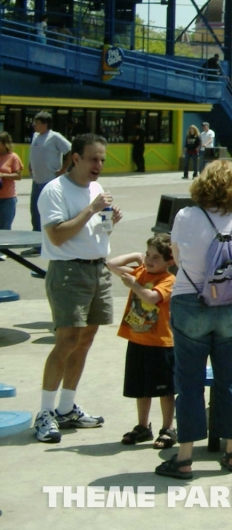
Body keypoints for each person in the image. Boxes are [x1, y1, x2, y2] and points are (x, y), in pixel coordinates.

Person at [159, 160, 232, 478]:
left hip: (190, 301)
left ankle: (184, 458)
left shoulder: (186, 215)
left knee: (189, 382)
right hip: (230, 306)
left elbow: (177, 257)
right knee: (230, 380)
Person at [35, 133, 122, 443]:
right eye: (93, 159)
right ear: (75, 158)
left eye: (102, 159)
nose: (99, 165)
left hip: (97, 268)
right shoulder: (54, 191)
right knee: (67, 339)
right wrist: (91, 210)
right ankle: (45, 412)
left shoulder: (96, 189)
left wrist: (110, 221)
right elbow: (58, 236)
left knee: (85, 340)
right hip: (68, 271)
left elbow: (95, 229)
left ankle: (67, 407)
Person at [106, 233, 177, 449]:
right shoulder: (141, 272)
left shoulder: (168, 279)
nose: (149, 260)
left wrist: (135, 285)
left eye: (156, 257)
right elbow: (111, 264)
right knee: (141, 388)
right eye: (148, 255)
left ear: (169, 261)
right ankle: (143, 426)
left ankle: (168, 428)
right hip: (138, 339)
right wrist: (135, 256)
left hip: (161, 343)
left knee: (165, 390)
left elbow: (152, 298)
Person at [29, 111, 72, 240]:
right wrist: (30, 165)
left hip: (49, 181)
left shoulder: (55, 137)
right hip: (36, 180)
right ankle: (36, 240)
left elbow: (70, 150)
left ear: (45, 124)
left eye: (37, 123)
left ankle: (45, 242)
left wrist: (64, 169)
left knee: (46, 213)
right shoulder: (36, 136)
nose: (34, 125)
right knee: (35, 212)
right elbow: (34, 153)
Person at [0, 131, 24, 259]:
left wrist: (3, 175)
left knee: (5, 225)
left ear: (4, 144)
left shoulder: (13, 157)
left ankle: (4, 251)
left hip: (8, 197)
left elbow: (18, 176)